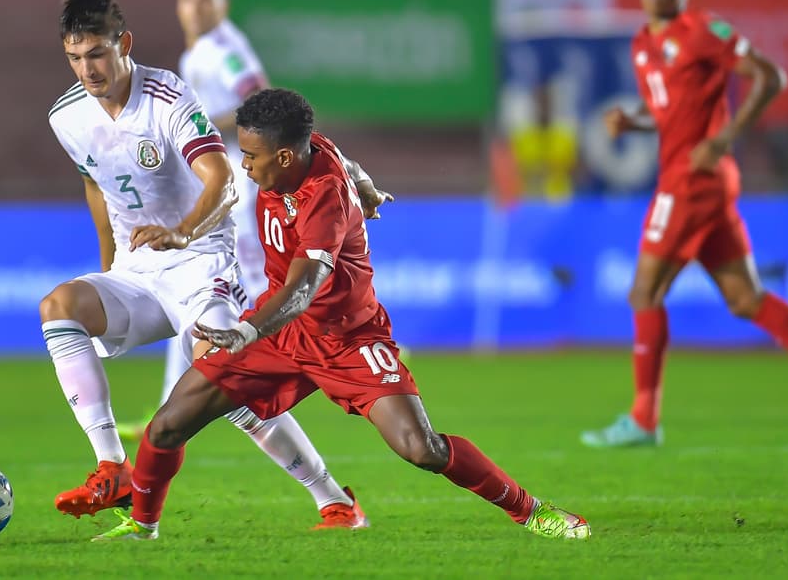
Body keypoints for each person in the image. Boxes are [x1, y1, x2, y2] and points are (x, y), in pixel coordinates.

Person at [92, 88, 589, 543]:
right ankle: (143, 528)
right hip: (282, 332)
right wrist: (369, 188)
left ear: (284, 157)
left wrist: (245, 330)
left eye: (250, 156)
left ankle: (533, 511)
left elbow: (303, 288)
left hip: (347, 338)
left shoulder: (322, 199)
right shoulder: (309, 152)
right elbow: (345, 159)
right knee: (166, 426)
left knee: (421, 447)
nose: (243, 166)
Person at [41, 0, 365, 529]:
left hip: (199, 261)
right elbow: (96, 188)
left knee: (225, 379)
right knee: (59, 305)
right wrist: (107, 268)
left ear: (124, 44)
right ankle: (111, 466)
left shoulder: (167, 97)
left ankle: (334, 499)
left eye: (97, 53)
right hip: (136, 269)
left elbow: (221, 180)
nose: (87, 69)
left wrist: (181, 232)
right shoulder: (66, 116)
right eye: (75, 58)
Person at [580, 0, 788, 449]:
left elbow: (770, 76)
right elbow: (673, 112)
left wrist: (723, 138)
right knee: (744, 299)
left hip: (693, 181)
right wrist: (635, 119)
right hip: (696, 181)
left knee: (644, 292)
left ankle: (644, 419)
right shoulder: (642, 45)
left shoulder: (703, 31)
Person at [117, 0, 271, 443]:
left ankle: (337, 340)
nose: (196, 8)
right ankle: (173, 405)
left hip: (233, 181)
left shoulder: (220, 49)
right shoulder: (204, 50)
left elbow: (258, 96)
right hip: (221, 177)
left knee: (244, 277)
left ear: (222, 5)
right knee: (198, 280)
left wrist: (197, 123)